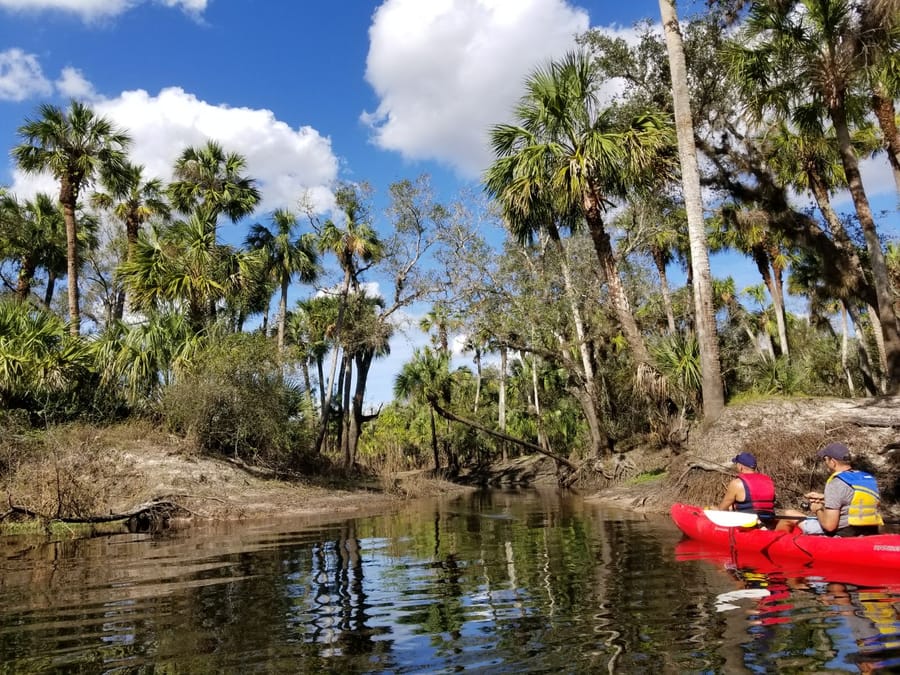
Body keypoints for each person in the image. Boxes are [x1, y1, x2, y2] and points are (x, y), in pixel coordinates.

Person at [779, 442, 883, 536]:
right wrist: (824, 498)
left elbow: (829, 526)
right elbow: (855, 500)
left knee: (788, 514)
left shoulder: (836, 483)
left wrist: (817, 509)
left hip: (843, 534)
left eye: (825, 459)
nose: (825, 463)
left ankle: (777, 546)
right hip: (870, 531)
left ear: (833, 462)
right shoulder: (866, 479)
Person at [719, 451, 776, 527]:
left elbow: (722, 509)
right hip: (769, 521)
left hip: (749, 524)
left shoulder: (737, 483)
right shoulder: (768, 480)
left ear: (740, 467)